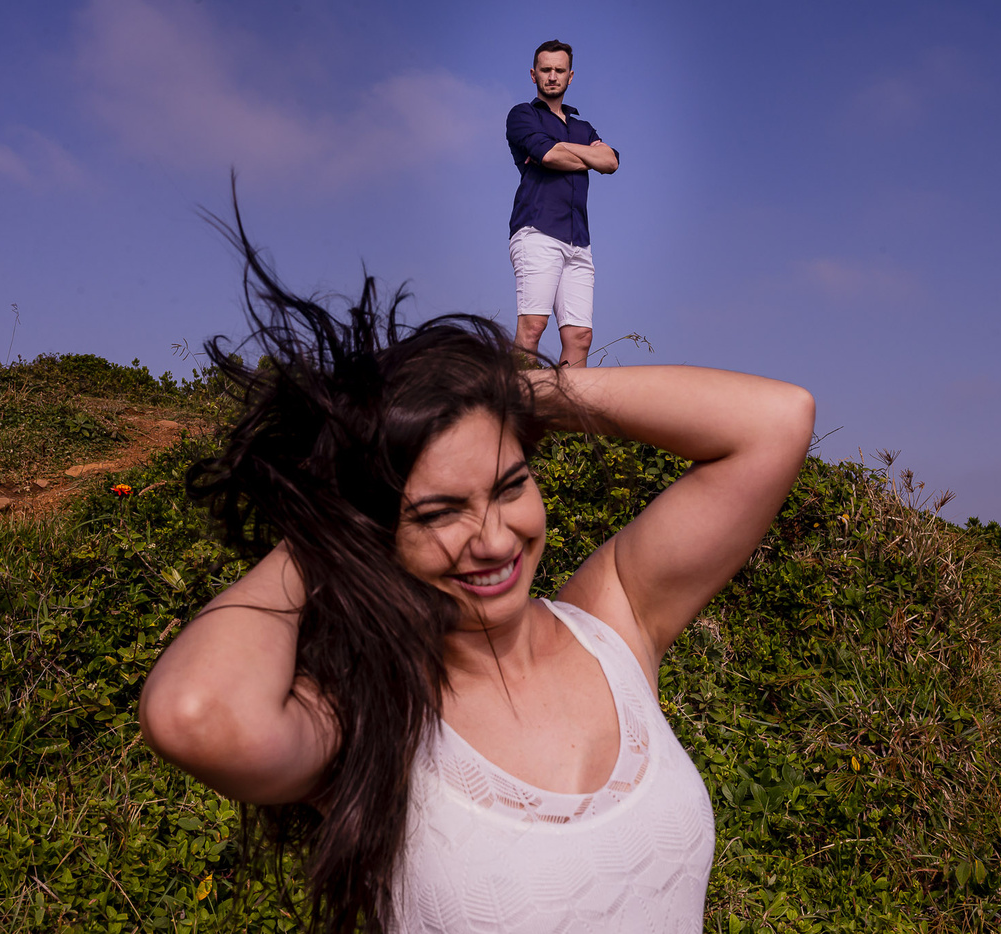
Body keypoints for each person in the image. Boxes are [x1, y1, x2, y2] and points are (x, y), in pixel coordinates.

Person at [138, 216, 815, 933]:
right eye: (439, 513)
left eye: (509, 486)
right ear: (375, 529)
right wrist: (331, 513)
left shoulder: (616, 623)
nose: (492, 540)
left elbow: (776, 421)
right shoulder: (372, 712)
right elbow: (194, 716)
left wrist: (510, 395)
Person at [506, 39, 619, 369]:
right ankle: (514, 399)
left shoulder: (583, 126)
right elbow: (549, 156)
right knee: (533, 327)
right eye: (546, 70)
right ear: (533, 74)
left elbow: (610, 162)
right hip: (537, 230)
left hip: (579, 240)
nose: (552, 76)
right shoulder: (522, 115)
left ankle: (566, 405)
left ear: (571, 76)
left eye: (559, 70)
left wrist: (561, 148)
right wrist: (586, 157)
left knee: (580, 336)